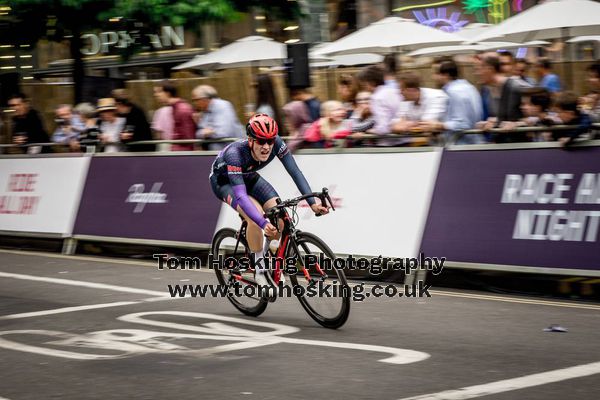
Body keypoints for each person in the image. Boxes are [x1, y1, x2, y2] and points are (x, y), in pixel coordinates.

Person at [209, 114, 329, 290]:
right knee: (254, 216)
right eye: (260, 141)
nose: (266, 147)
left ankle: (270, 259)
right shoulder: (235, 154)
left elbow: (295, 172)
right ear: (250, 140)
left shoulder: (277, 144)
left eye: (270, 141)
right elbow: (241, 195)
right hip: (225, 183)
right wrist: (262, 222)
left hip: (249, 176)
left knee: (280, 216)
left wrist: (313, 203)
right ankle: (259, 271)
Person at [423, 59, 485, 145]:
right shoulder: (470, 87)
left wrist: (439, 125)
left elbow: (463, 124)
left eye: (437, 74)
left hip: (462, 146)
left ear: (446, 75)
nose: (433, 78)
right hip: (474, 143)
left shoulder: (453, 92)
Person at [392, 72, 448, 146]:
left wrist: (407, 124)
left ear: (411, 90)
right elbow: (395, 126)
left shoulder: (436, 96)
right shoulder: (405, 101)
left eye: (402, 89)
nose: (400, 92)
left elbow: (426, 126)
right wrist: (413, 125)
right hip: (426, 145)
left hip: (446, 146)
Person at [356, 65, 403, 146]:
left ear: (372, 83)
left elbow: (382, 128)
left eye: (364, 85)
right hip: (403, 139)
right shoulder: (394, 91)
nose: (365, 88)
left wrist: (371, 131)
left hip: (388, 143)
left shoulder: (377, 98)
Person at [193, 84, 244, 150]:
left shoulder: (222, 106)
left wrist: (208, 133)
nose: (194, 103)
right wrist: (204, 132)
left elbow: (223, 132)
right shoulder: (205, 111)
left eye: (196, 100)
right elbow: (199, 133)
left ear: (205, 99)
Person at [154, 81, 196, 151]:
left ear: (167, 93)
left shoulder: (182, 110)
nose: (156, 95)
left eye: (158, 92)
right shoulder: (175, 108)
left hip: (183, 154)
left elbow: (188, 137)